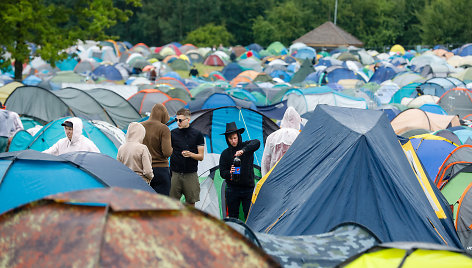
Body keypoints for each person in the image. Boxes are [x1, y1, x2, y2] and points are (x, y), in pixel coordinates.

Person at [219, 122, 260, 220]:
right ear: (227, 139)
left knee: (249, 216)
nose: (233, 141)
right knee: (233, 217)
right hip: (232, 189)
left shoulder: (247, 147)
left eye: (234, 138)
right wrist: (230, 173)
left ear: (238, 136)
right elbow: (222, 172)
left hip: (248, 189)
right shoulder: (225, 153)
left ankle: (249, 234)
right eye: (230, 139)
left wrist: (243, 150)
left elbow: (257, 142)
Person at [169, 108, 204, 206]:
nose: (178, 123)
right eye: (176, 120)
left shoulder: (197, 134)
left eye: (180, 120)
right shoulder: (172, 133)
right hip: (175, 173)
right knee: (172, 203)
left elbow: (201, 157)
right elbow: (167, 150)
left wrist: (190, 154)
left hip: (190, 174)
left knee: (191, 203)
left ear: (188, 120)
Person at [141, 103, 173, 195]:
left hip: (143, 169)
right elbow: (167, 152)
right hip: (161, 170)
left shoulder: (140, 126)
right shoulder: (163, 128)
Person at [261, 107, 301, 177]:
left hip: (274, 175)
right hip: (294, 176)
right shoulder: (299, 135)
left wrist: (265, 177)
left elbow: (266, 161)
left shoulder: (272, 136)